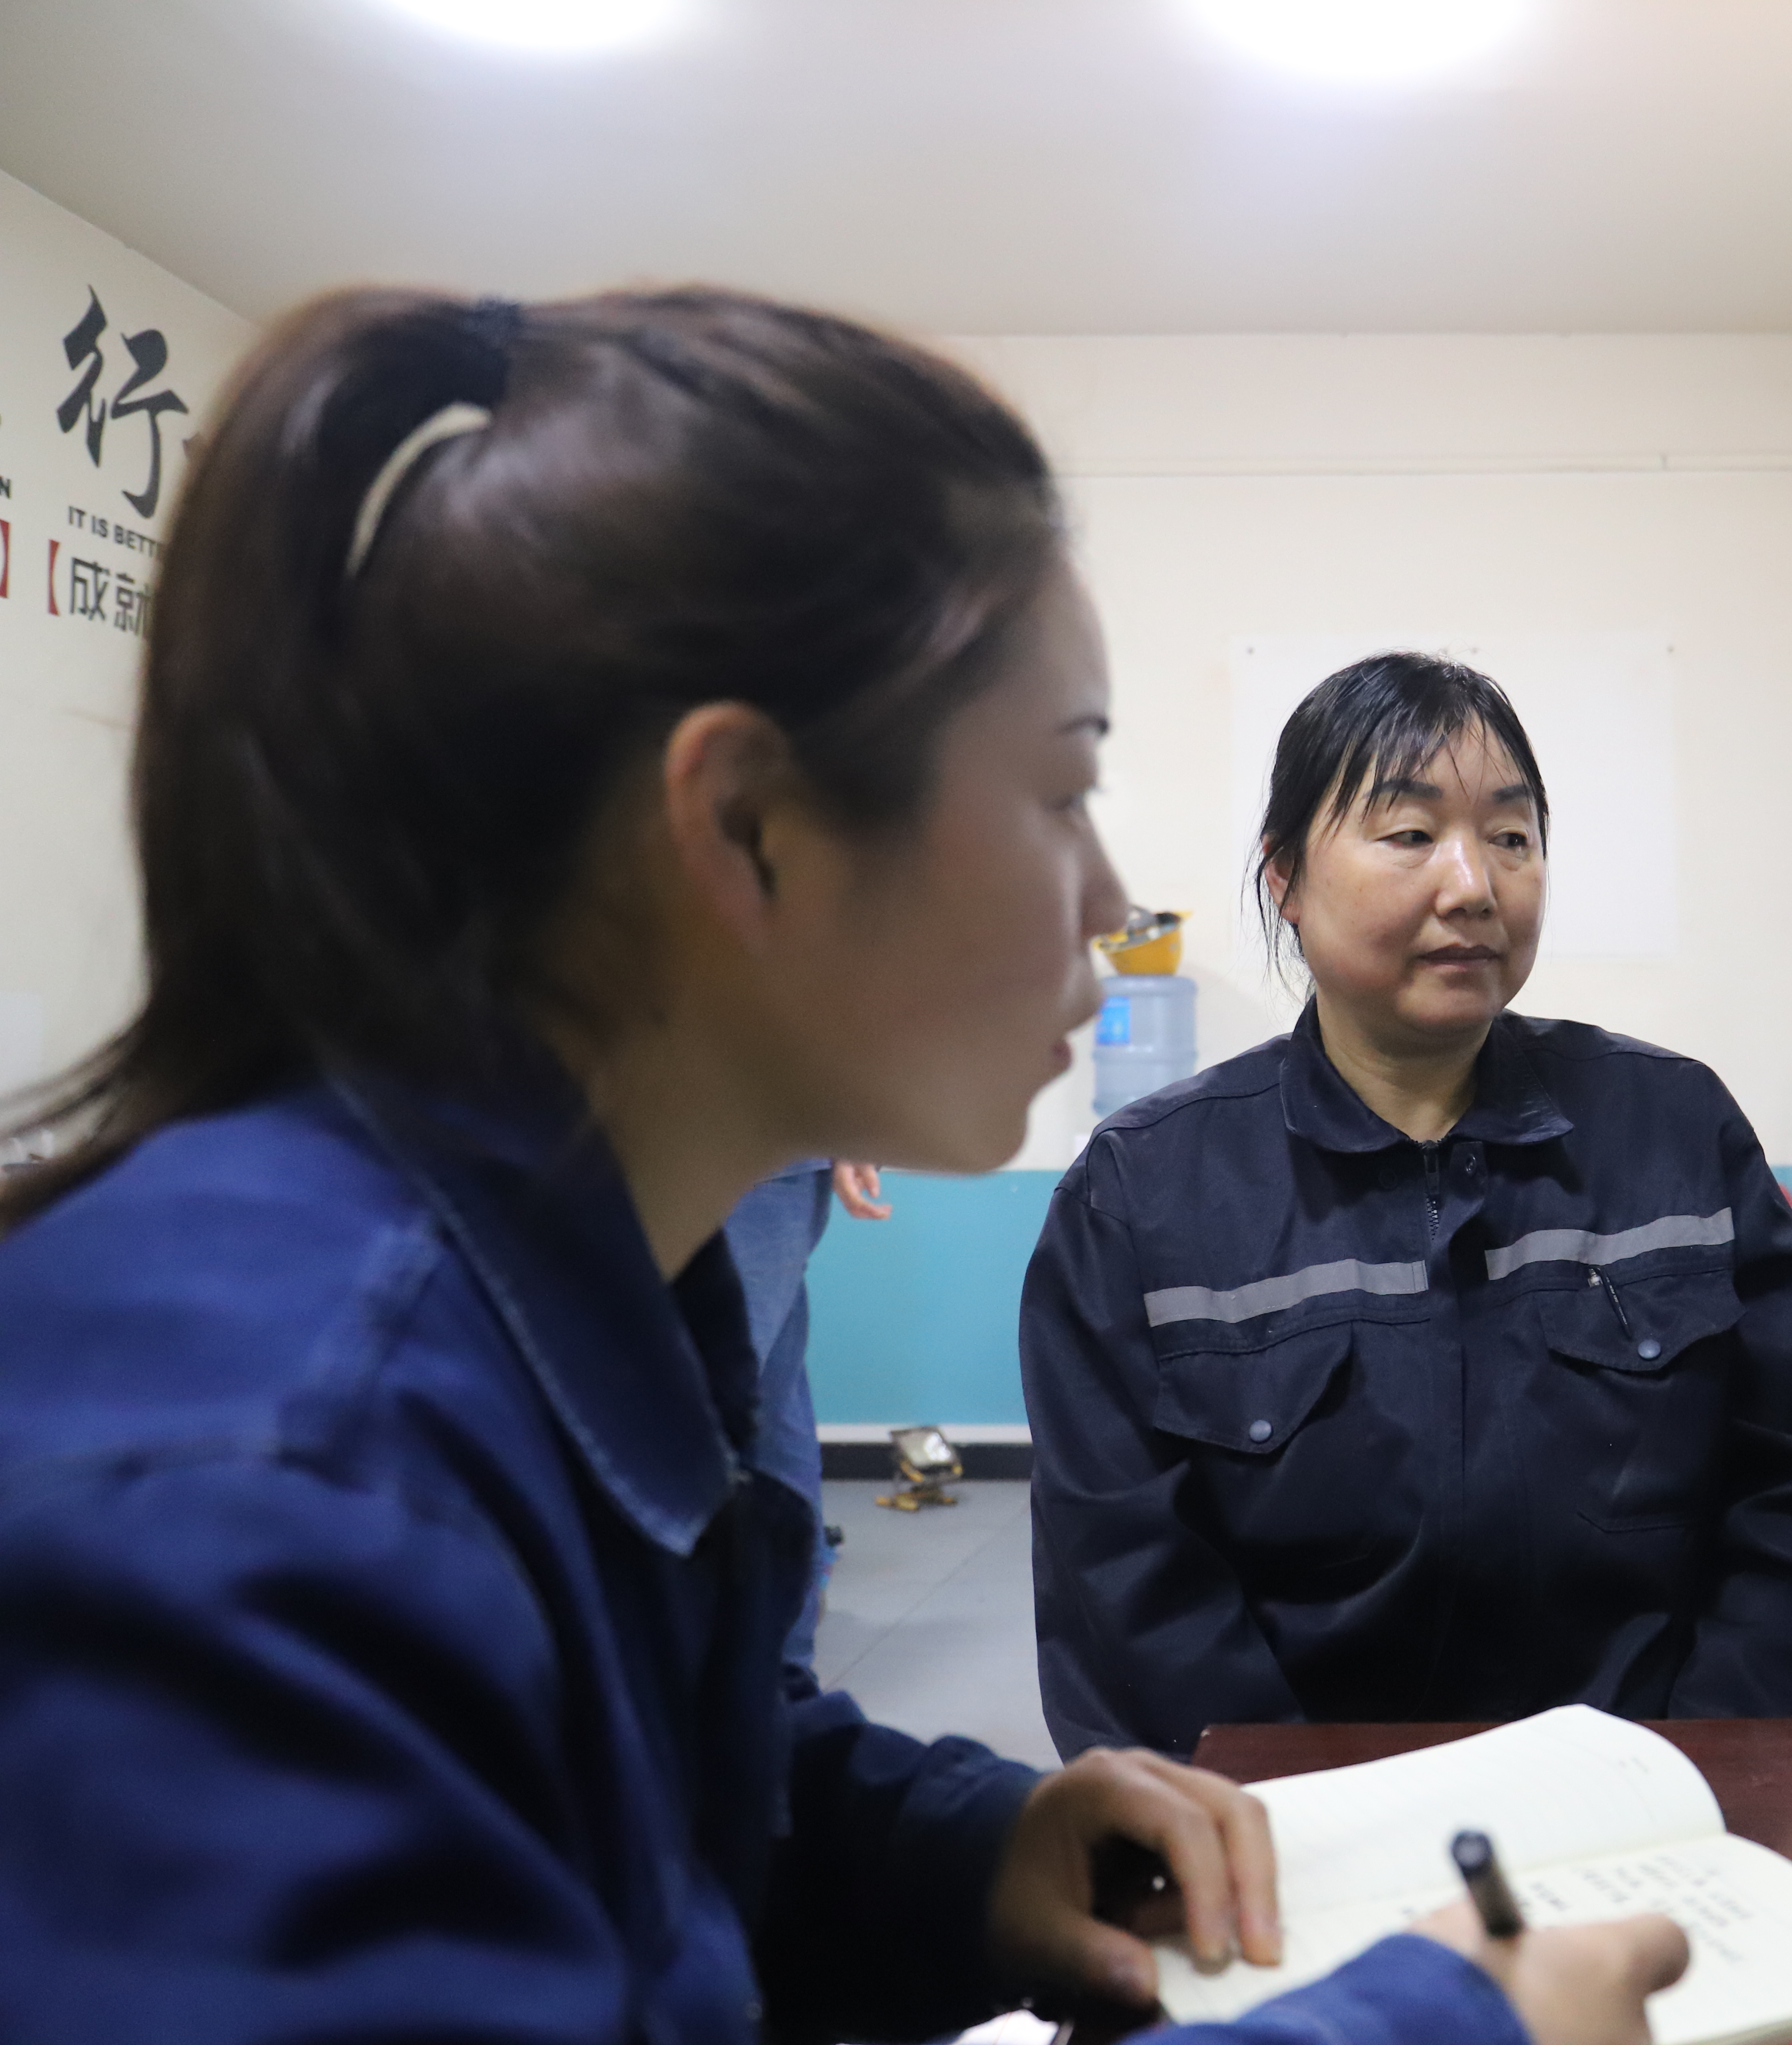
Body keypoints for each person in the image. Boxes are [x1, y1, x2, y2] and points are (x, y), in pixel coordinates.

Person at [0, 288, 1684, 2045]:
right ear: (746, 824)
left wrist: (945, 1856)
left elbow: (611, 1790)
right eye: (1061, 793)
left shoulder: (561, 1307)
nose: (1109, 899)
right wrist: (1449, 2029)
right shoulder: (266, 1490)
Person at [1020, 653, 1792, 1758]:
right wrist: (1301, 1816)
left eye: (1512, 837)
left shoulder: (1676, 1131)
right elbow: (1125, 1593)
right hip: (1288, 1829)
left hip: (1659, 1804)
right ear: (1285, 877)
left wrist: (1701, 1779)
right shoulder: (1144, 1194)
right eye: (1411, 833)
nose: (1475, 885)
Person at [722, 1157, 887, 1671]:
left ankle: (770, 1675)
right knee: (771, 1414)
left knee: (704, 1419)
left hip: (746, 1165)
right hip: (755, 1165)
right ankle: (781, 1670)